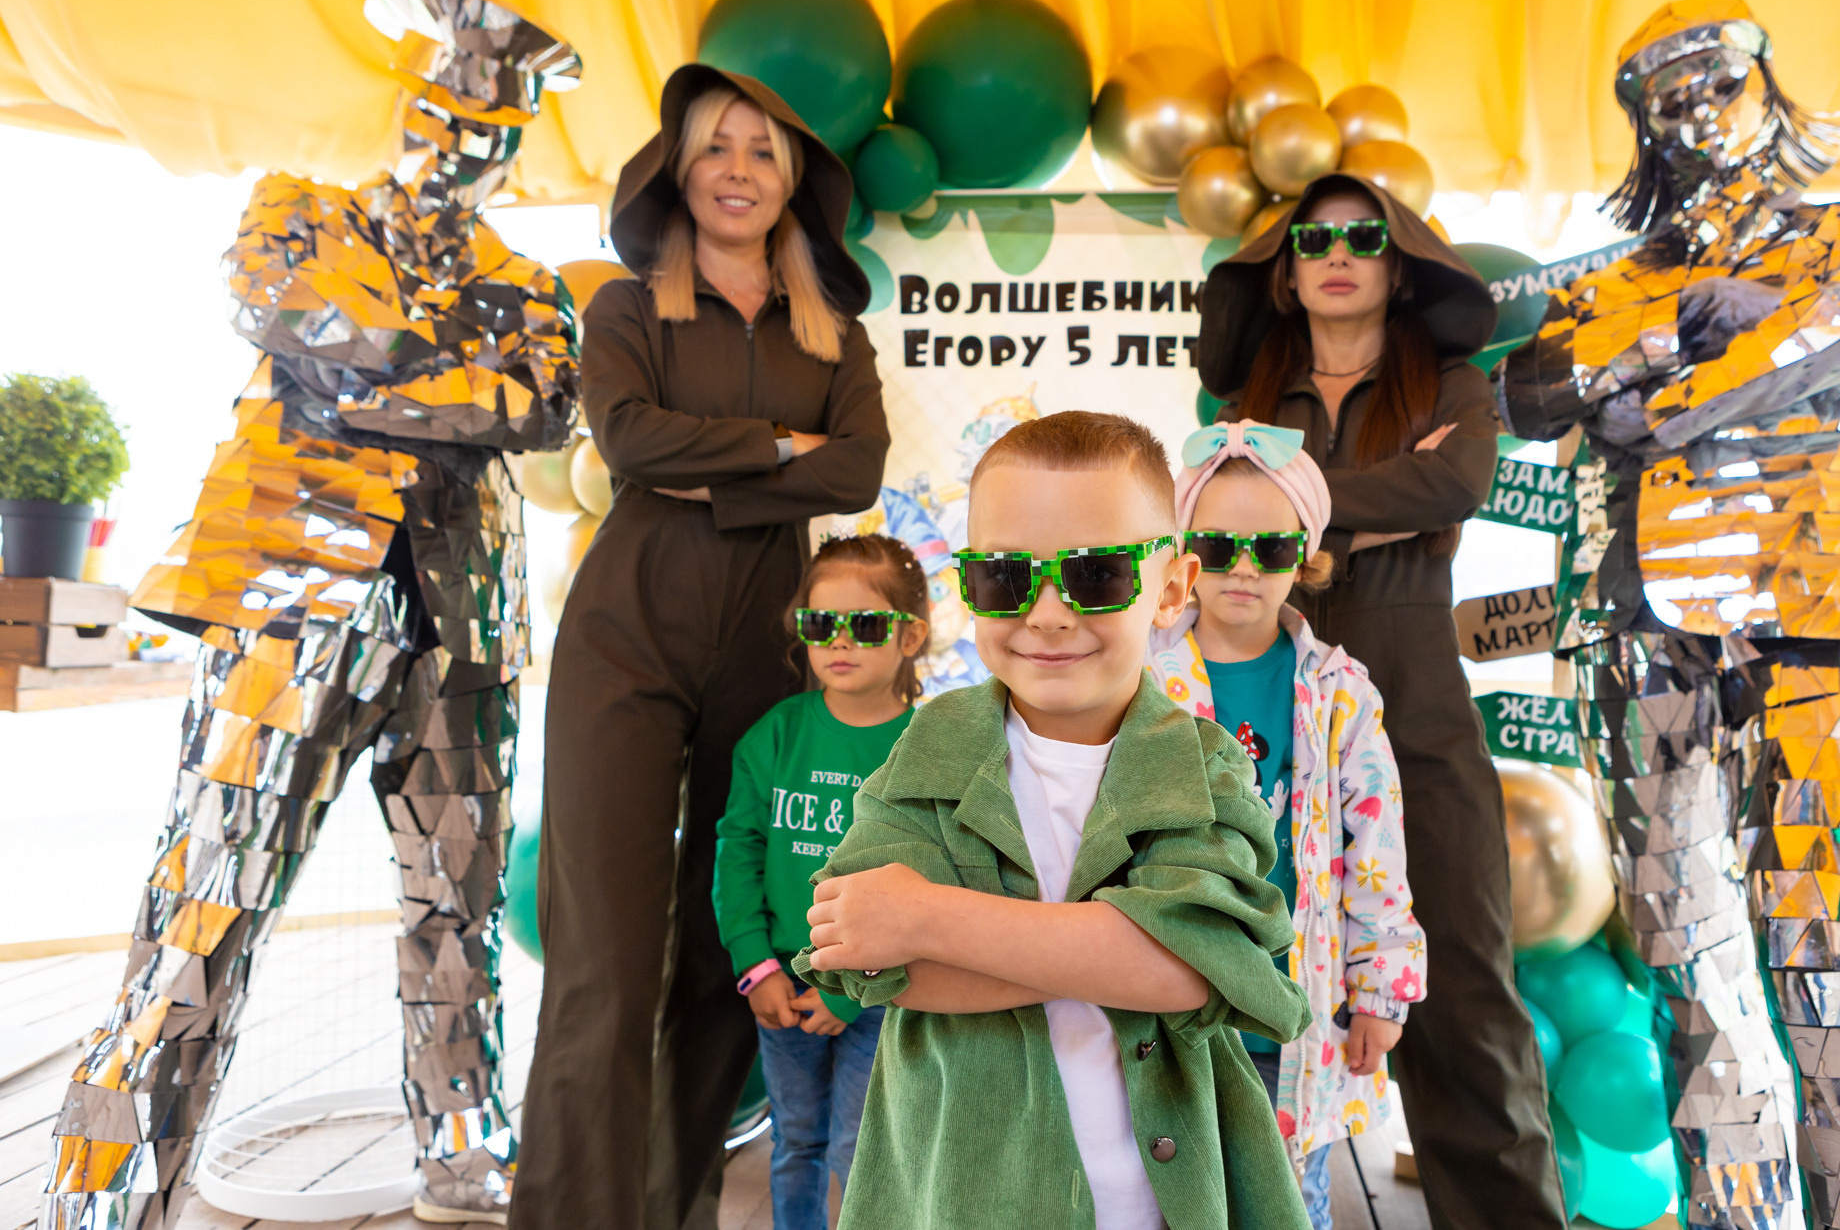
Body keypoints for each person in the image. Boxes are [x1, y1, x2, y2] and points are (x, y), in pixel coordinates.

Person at [52, 0, 579, 1228]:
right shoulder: (297, 210)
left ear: (513, 144)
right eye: (451, 109)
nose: (467, 139)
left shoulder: (533, 282)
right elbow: (284, 317)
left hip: (463, 626)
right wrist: (434, 372)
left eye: (493, 123)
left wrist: (361, 370)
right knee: (207, 901)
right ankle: (108, 1189)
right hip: (291, 607)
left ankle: (462, 1145)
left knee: (457, 911)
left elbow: (538, 408)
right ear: (413, 109)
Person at [1499, 0, 1840, 1226]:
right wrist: (1672, 340)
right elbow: (1533, 389)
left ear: (1766, 81)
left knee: (1819, 954)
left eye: (1713, 76)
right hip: (1633, 629)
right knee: (1684, 973)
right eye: (1660, 93)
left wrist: (1659, 389)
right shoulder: (1611, 281)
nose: (1691, 105)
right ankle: (1732, 1217)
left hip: (1803, 607)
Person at [512, 64, 891, 1230]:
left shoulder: (836, 331)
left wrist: (715, 465)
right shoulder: (627, 310)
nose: (737, 169)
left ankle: (668, 1207)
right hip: (625, 625)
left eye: (762, 152)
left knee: (732, 944)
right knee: (604, 961)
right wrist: (779, 450)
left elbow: (858, 469)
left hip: (766, 638)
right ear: (680, 168)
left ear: (791, 187)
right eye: (715, 147)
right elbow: (627, 442)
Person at [796, 410, 1312, 1229]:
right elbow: (861, 956)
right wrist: (1122, 951)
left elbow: (1192, 968)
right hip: (962, 1200)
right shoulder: (931, 747)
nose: (1046, 612)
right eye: (1004, 577)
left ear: (1173, 585)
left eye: (1098, 574)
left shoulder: (1207, 766)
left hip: (1160, 1203)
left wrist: (926, 916)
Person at [1196, 175, 1568, 1227]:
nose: (1337, 250)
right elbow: (1220, 514)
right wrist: (1369, 501)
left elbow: (1451, 487)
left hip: (1415, 703)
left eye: (1363, 233)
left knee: (1462, 986)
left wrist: (1296, 498)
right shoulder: (1248, 405)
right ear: (1284, 266)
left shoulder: (1447, 386)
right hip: (1270, 701)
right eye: (1312, 236)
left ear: (1397, 260)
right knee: (1252, 971)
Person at [1148, 420, 1426, 1228]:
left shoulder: (1340, 691)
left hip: (1291, 1010)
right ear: (1183, 552)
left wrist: (1381, 986)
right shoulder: (1140, 678)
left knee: (1285, 1207)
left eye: (1269, 548)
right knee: (1163, 1198)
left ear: (1304, 556)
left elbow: (1376, 850)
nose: (1242, 567)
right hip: (1168, 1005)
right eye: (1218, 543)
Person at [712, 534, 930, 1230]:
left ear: (911, 635)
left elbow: (936, 881)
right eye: (820, 623)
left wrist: (852, 985)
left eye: (865, 624)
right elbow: (737, 850)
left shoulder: (927, 748)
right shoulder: (775, 735)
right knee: (796, 1141)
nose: (841, 641)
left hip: (882, 995)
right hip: (781, 987)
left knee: (859, 1148)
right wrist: (755, 964)